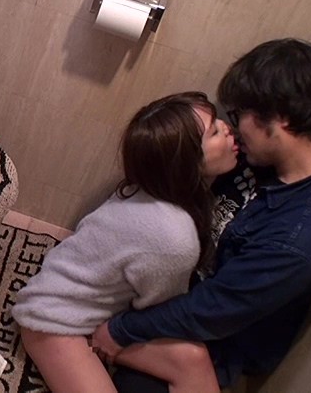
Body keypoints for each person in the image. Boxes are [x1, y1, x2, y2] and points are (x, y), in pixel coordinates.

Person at [92, 38, 311, 391]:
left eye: (238, 116)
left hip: (215, 340)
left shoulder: (305, 238)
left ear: (280, 121)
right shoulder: (272, 155)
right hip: (183, 285)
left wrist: (121, 330)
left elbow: (213, 310)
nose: (231, 128)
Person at [12, 91, 239, 392]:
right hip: (53, 321)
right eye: (214, 132)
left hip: (95, 306)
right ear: (187, 163)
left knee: (194, 359)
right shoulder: (174, 235)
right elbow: (157, 311)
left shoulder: (150, 187)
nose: (227, 128)